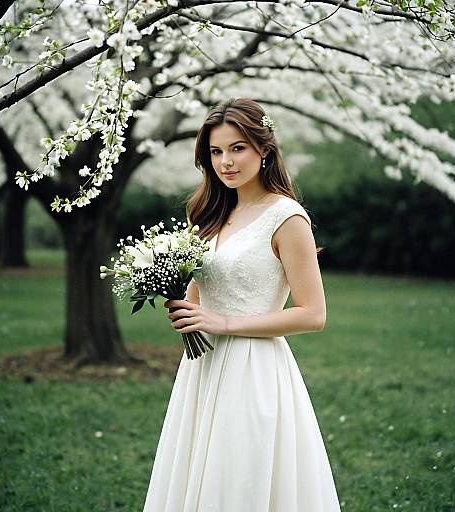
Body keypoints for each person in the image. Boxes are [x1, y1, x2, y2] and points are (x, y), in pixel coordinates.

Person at [142, 97, 341, 511]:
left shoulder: (287, 218)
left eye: (237, 148)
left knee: (241, 479)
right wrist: (179, 301)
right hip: (202, 369)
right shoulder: (212, 213)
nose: (225, 162)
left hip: (253, 368)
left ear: (263, 149)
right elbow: (200, 295)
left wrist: (224, 322)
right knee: (200, 476)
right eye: (216, 151)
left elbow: (313, 314)